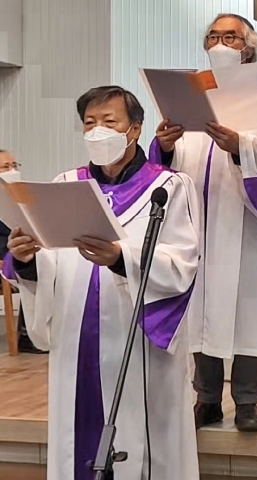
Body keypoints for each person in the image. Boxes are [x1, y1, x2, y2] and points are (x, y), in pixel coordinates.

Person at [7, 86, 201, 480]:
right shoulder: (66, 184)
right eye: (89, 123)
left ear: (135, 129)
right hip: (77, 337)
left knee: (145, 443)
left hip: (137, 340)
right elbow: (52, 258)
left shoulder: (169, 187)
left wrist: (120, 258)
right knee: (78, 437)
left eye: (109, 122)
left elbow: (182, 264)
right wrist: (26, 259)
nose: (98, 131)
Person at [151, 13, 257, 432]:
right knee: (199, 308)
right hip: (195, 217)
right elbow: (168, 164)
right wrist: (164, 146)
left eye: (230, 36)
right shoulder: (191, 95)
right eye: (213, 36)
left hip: (242, 218)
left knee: (248, 310)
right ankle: (207, 399)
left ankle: (247, 402)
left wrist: (238, 145)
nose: (220, 43)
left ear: (249, 46)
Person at [0, 150, 44, 354]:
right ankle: (28, 334)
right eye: (5, 167)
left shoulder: (22, 196)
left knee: (47, 261)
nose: (12, 170)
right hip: (5, 252)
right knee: (28, 262)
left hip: (23, 247)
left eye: (14, 165)